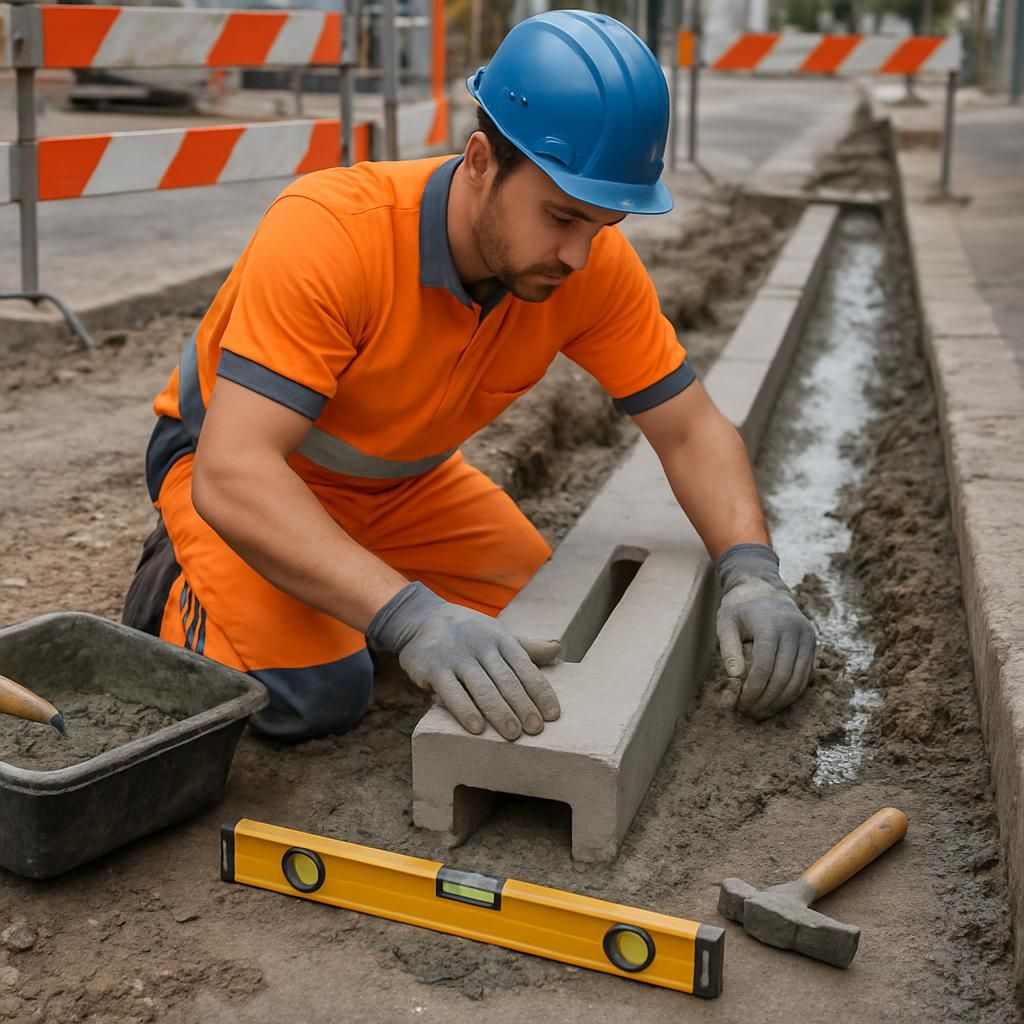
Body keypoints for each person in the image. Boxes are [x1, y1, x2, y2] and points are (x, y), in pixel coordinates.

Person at [123, 10, 815, 742]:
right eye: (560, 217)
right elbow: (235, 471)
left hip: (403, 488)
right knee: (316, 695)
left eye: (603, 226)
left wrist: (752, 570)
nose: (579, 256)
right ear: (481, 160)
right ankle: (175, 591)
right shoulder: (333, 234)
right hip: (245, 471)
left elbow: (690, 429)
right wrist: (410, 616)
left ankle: (345, 583)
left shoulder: (588, 267)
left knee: (552, 623)